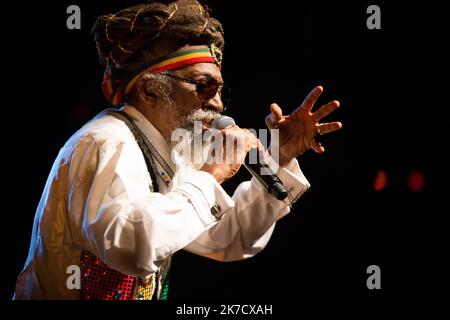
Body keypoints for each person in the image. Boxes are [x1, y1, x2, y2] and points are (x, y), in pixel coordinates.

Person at [14, 0, 342, 300]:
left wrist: (278, 157)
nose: (216, 102)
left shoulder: (168, 151)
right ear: (149, 89)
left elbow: (229, 236)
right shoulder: (107, 142)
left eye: (219, 89)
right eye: (203, 85)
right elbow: (131, 247)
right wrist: (211, 175)